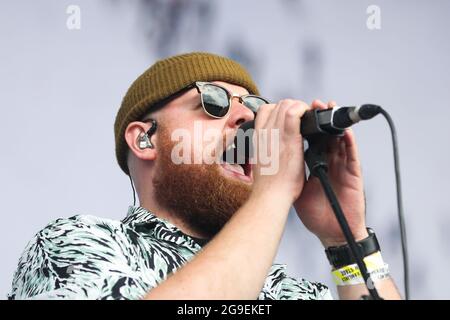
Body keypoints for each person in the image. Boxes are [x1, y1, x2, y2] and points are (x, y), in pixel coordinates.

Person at [9, 52, 401, 300]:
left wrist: (347, 239)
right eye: (211, 102)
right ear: (145, 138)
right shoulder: (77, 244)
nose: (247, 118)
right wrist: (272, 194)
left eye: (254, 107)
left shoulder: (290, 292)